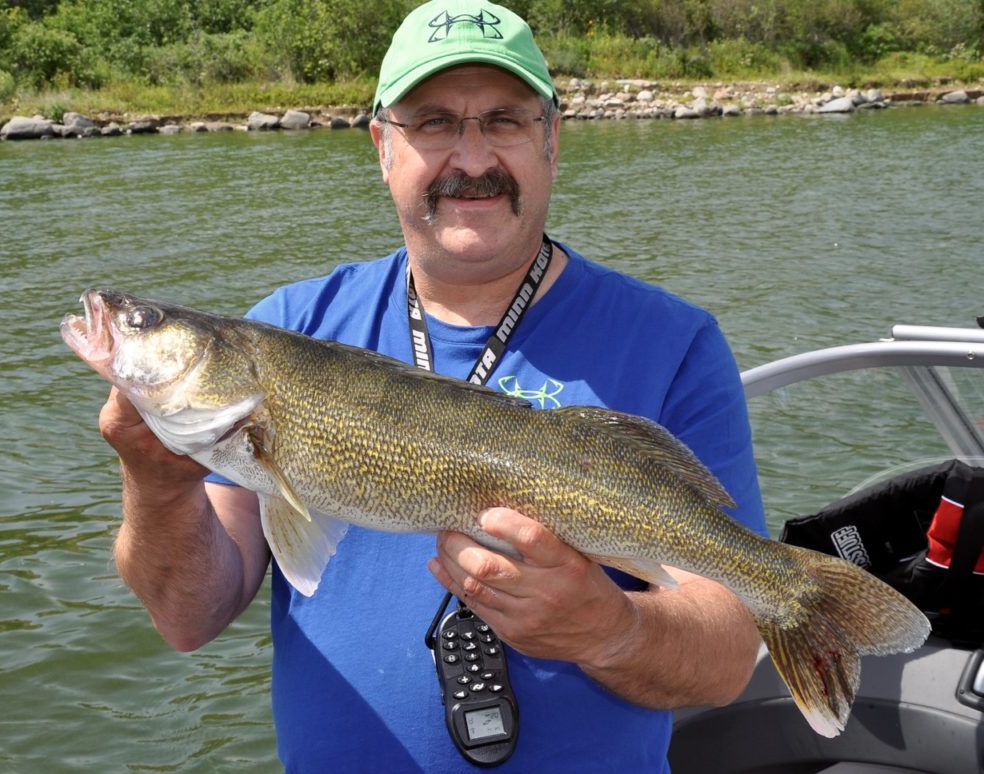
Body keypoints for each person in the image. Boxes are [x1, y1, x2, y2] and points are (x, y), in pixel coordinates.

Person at [100, 1, 767, 770]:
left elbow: (724, 660)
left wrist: (608, 628)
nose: (472, 157)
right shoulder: (289, 325)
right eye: (433, 122)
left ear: (551, 139)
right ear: (383, 145)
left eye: (505, 120)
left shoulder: (672, 343)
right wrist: (155, 486)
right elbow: (190, 618)